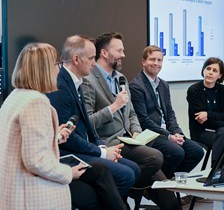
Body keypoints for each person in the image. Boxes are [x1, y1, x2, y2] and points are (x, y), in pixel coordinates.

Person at [82, 32, 181, 210]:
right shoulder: (88, 81)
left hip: (130, 139)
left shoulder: (120, 79)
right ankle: (131, 189)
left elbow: (132, 113)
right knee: (154, 156)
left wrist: (136, 131)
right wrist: (113, 107)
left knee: (171, 203)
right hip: (109, 143)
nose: (123, 55)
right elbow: (88, 122)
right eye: (119, 50)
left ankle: (133, 189)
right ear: (104, 53)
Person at [46, 34, 140, 203]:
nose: (94, 63)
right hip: (68, 152)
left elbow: (88, 125)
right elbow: (68, 138)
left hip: (85, 146)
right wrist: (102, 152)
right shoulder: (61, 87)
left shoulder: (76, 81)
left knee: (133, 169)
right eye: (91, 58)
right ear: (76, 59)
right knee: (126, 174)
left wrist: (101, 145)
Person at [0, 43, 85, 210]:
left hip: (12, 189)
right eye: (57, 64)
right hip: (31, 195)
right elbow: (36, 161)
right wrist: (69, 173)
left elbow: (20, 144)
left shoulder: (15, 96)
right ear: (45, 68)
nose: (59, 69)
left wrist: (54, 136)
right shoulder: (36, 102)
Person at [129, 45, 204, 179]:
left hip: (168, 133)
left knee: (197, 151)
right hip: (150, 135)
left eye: (159, 60)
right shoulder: (136, 86)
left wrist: (177, 132)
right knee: (177, 152)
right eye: (152, 59)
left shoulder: (163, 84)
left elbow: (169, 113)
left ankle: (167, 181)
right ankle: (155, 183)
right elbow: (143, 120)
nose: (156, 63)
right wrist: (169, 136)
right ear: (143, 62)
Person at [186, 57, 224, 166]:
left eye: (215, 71)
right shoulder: (194, 90)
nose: (210, 73)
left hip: (219, 131)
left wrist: (208, 114)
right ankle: (217, 170)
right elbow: (202, 120)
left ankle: (215, 169)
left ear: (220, 75)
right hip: (200, 131)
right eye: (208, 69)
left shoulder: (223, 91)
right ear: (203, 71)